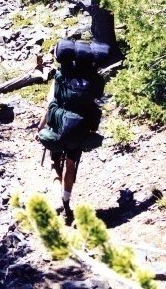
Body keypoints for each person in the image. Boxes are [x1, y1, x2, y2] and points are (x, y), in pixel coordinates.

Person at [36, 40, 105, 223]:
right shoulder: (91, 79)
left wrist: (40, 127)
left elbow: (50, 104)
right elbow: (96, 100)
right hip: (79, 128)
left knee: (54, 165)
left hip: (59, 126)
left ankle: (58, 194)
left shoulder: (61, 76)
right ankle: (67, 201)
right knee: (71, 166)